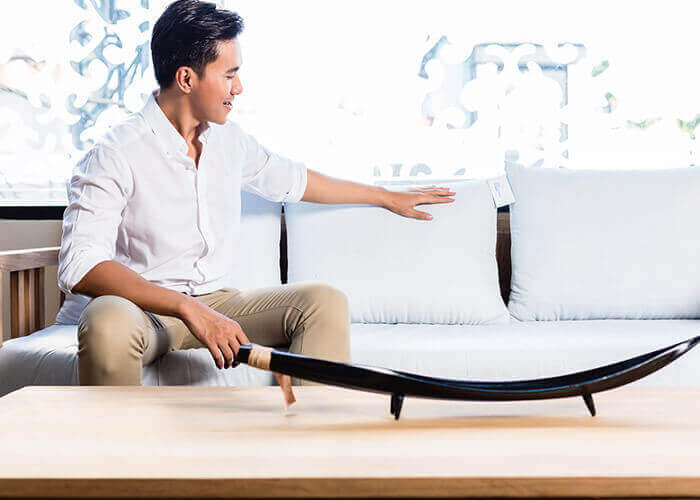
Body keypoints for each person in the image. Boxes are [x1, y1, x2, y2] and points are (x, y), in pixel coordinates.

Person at [57, 0, 456, 388]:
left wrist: (385, 196)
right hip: (144, 310)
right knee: (106, 321)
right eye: (229, 75)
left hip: (219, 302)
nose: (239, 88)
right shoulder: (115, 153)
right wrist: (186, 307)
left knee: (323, 302)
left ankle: (313, 431)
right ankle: (117, 438)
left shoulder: (229, 142)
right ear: (186, 79)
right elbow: (80, 264)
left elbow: (296, 180)